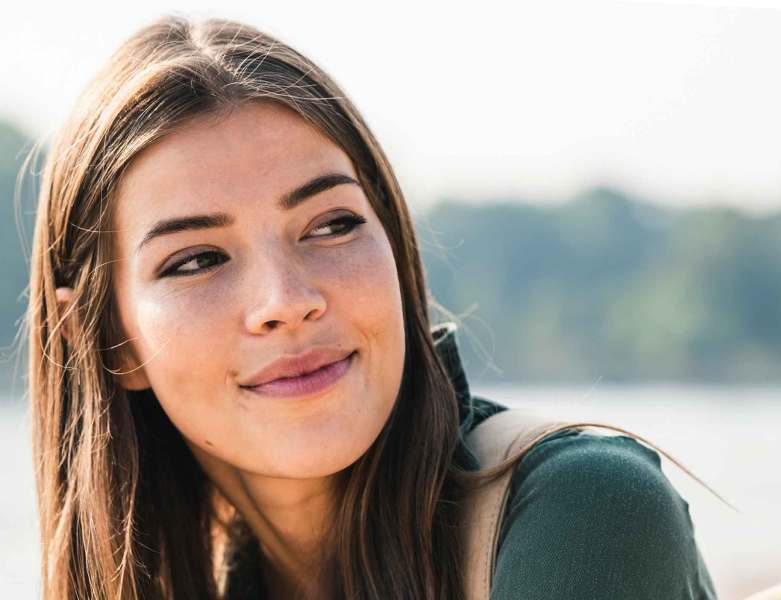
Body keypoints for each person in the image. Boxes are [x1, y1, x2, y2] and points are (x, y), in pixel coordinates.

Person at [26, 15, 717, 599]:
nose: (287, 302)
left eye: (332, 225)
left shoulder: (581, 513)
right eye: (197, 261)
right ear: (106, 341)